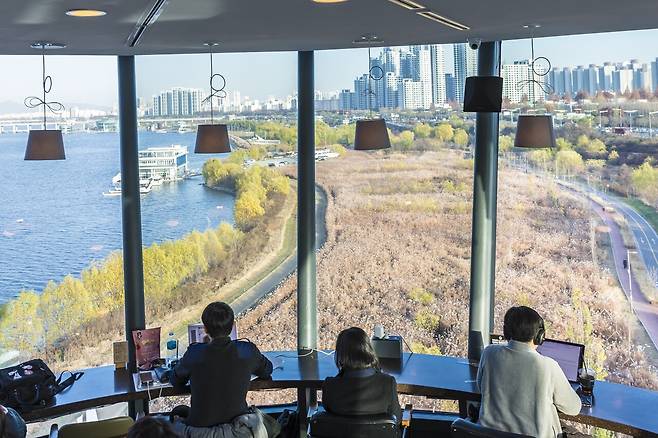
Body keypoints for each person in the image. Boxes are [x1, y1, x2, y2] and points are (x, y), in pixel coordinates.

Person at [170, 302, 274, 438]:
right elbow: (267, 370)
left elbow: (175, 380)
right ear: (232, 327)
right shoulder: (247, 351)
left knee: (177, 412)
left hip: (199, 431)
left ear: (205, 329)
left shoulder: (194, 353)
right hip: (237, 429)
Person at [477, 306, 582, 438]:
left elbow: (480, 387)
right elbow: (573, 408)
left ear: (506, 332)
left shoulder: (489, 353)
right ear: (540, 336)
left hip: (488, 434)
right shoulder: (548, 366)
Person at [322, 327, 402, 420]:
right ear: (369, 350)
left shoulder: (330, 386)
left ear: (340, 354)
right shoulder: (387, 383)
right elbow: (397, 418)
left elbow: (329, 414)